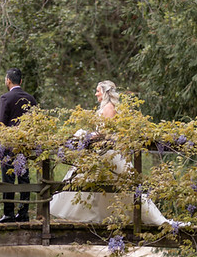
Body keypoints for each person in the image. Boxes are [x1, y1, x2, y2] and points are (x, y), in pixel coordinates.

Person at [50, 80, 166, 226]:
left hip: (108, 151)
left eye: (98, 90)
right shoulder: (105, 107)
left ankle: (128, 216)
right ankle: (97, 215)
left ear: (104, 92)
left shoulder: (109, 107)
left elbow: (107, 133)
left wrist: (88, 135)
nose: (95, 93)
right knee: (91, 181)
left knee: (117, 185)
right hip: (101, 149)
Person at [0, 68, 37, 223]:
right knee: (24, 177)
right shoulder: (31, 99)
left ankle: (9, 214)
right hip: (25, 145)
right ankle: (24, 212)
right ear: (21, 81)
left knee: (8, 179)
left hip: (8, 144)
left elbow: (2, 124)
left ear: (8, 80)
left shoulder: (5, 98)